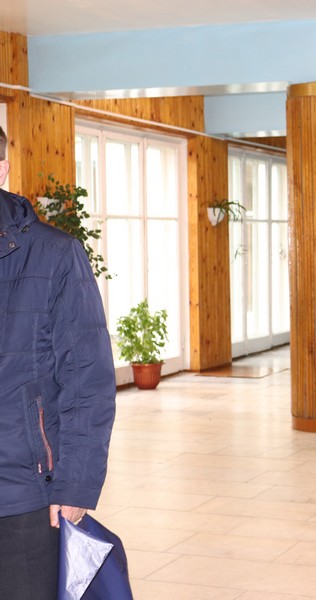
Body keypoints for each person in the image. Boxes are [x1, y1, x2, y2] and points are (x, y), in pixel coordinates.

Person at [0, 126, 117, 599]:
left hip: (22, 496)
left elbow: (87, 378)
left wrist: (76, 484)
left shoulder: (55, 255)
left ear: (2, 169)